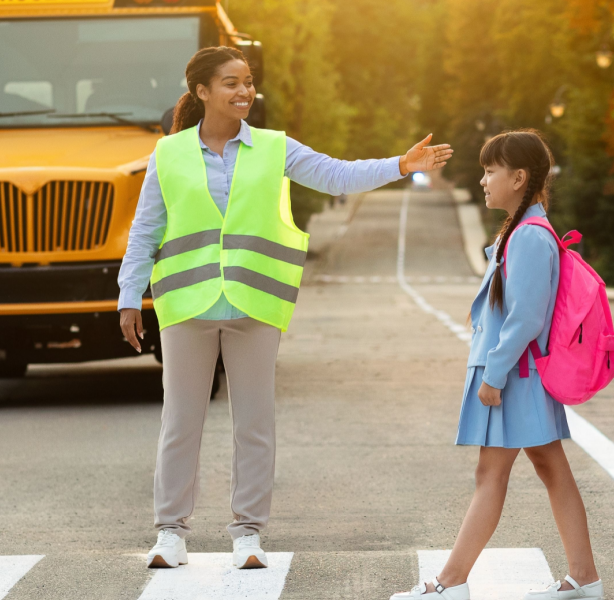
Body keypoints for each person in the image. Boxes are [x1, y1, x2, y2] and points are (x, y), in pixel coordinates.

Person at [117, 46, 451, 570]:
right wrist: (128, 295)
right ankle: (170, 533)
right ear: (202, 91)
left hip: (255, 303)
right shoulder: (169, 154)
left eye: (248, 81)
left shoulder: (275, 148)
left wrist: (401, 166)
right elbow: (145, 232)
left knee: (255, 423)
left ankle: (247, 534)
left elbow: (337, 175)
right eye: (231, 83)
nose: (244, 91)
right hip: (185, 304)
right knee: (180, 422)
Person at [389, 130, 603, 600]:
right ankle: (584, 579)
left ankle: (449, 583)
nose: (483, 180)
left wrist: (494, 374)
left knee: (492, 474)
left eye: (491, 171)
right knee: (551, 469)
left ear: (519, 177)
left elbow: (526, 316)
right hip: (523, 376)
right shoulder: (524, 230)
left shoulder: (528, 235)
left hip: (514, 378)